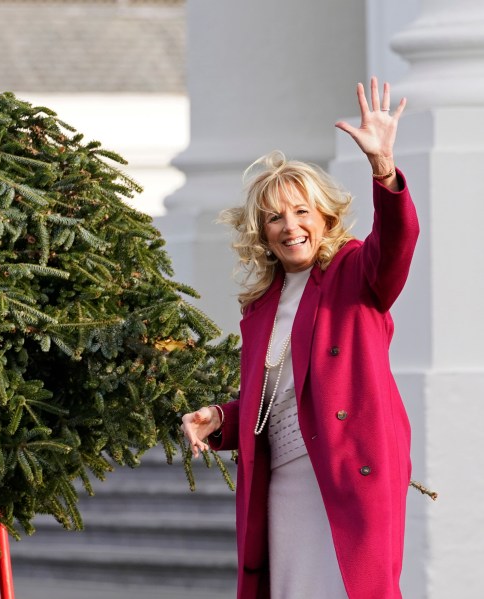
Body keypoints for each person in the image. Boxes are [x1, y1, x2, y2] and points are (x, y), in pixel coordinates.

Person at [179, 77, 418, 599]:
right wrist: (221, 416)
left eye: (302, 211)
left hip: (347, 473)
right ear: (261, 233)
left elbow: (396, 245)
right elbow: (278, 399)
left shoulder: (355, 272)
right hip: (283, 478)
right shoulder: (260, 306)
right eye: (274, 217)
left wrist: (384, 168)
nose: (290, 226)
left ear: (324, 216)